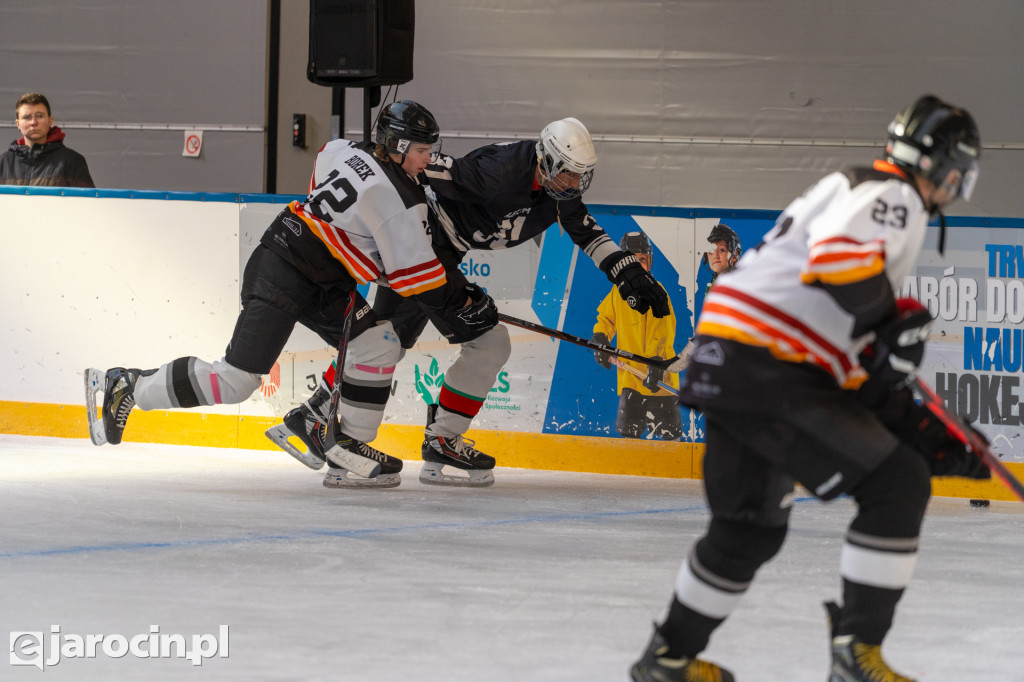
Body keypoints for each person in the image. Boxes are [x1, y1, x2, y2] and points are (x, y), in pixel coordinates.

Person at [630, 94, 990, 682]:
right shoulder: (896, 195)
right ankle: (856, 656)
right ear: (948, 167)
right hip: (766, 369)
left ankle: (666, 659)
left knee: (746, 531)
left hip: (731, 364)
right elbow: (839, 264)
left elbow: (840, 351)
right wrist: (887, 324)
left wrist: (915, 422)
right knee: (897, 484)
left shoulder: (853, 187)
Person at [85, 100, 508, 491]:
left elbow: (325, 169)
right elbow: (420, 281)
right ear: (396, 146)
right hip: (284, 273)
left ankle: (347, 451)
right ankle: (130, 385)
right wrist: (465, 303)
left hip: (311, 269)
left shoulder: (344, 150)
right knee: (237, 381)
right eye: (421, 150)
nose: (428, 159)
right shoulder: (402, 200)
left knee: (379, 345)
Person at [275, 117, 671, 485]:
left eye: (580, 175)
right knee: (478, 343)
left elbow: (587, 232)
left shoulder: (558, 191)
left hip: (441, 258)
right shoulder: (496, 170)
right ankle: (406, 434)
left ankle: (323, 416)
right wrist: (376, 156)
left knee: (388, 344)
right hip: (420, 251)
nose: (573, 183)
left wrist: (629, 274)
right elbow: (410, 163)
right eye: (567, 171)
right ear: (546, 160)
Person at [591, 231, 681, 440]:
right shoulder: (618, 292)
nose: (638, 266)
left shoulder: (657, 292)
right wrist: (601, 338)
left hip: (659, 379)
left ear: (649, 262)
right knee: (628, 438)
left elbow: (662, 334)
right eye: (632, 261)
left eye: (642, 259)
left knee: (670, 442)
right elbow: (606, 319)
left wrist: (656, 363)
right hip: (631, 380)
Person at [1, 93, 94, 187]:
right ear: (18, 124)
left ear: (50, 121)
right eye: (27, 117)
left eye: (39, 116)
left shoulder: (71, 161)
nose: (33, 122)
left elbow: (87, 201)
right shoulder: (3, 162)